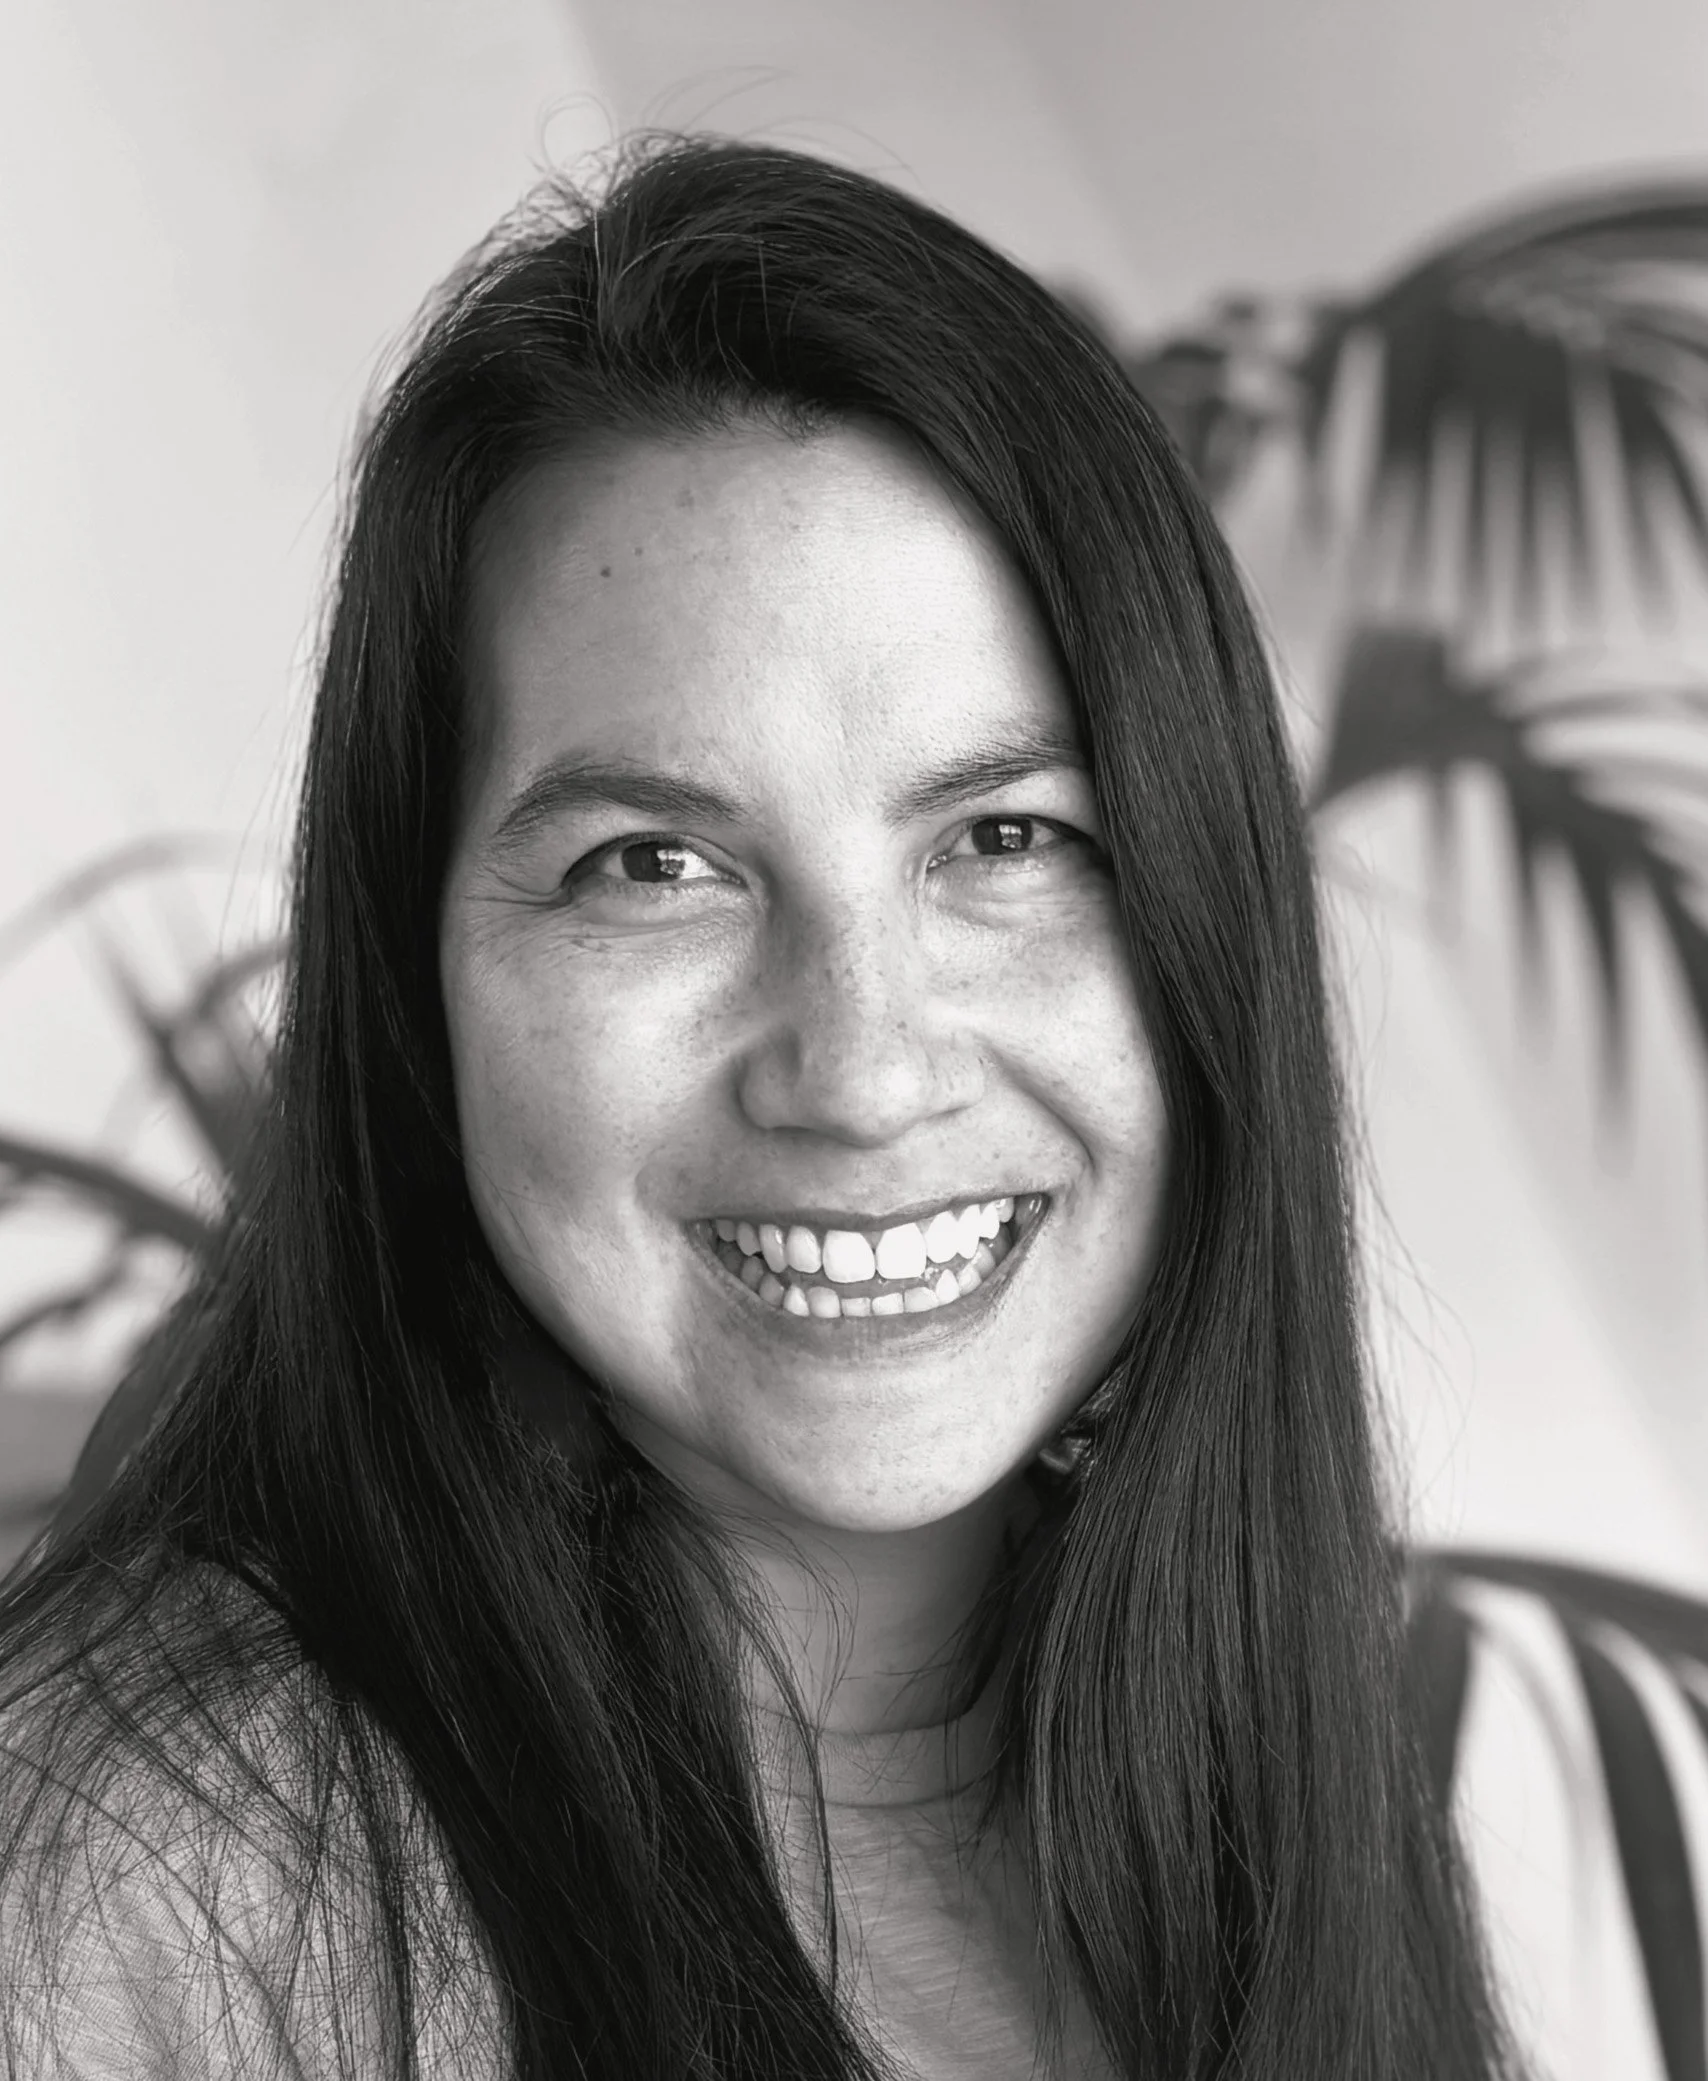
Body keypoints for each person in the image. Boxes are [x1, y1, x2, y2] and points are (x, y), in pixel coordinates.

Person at [0, 134, 1526, 2080]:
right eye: (651, 864)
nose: (864, 1062)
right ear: (411, 981)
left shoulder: (1254, 1786)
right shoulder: (139, 1896)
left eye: (1005, 835)